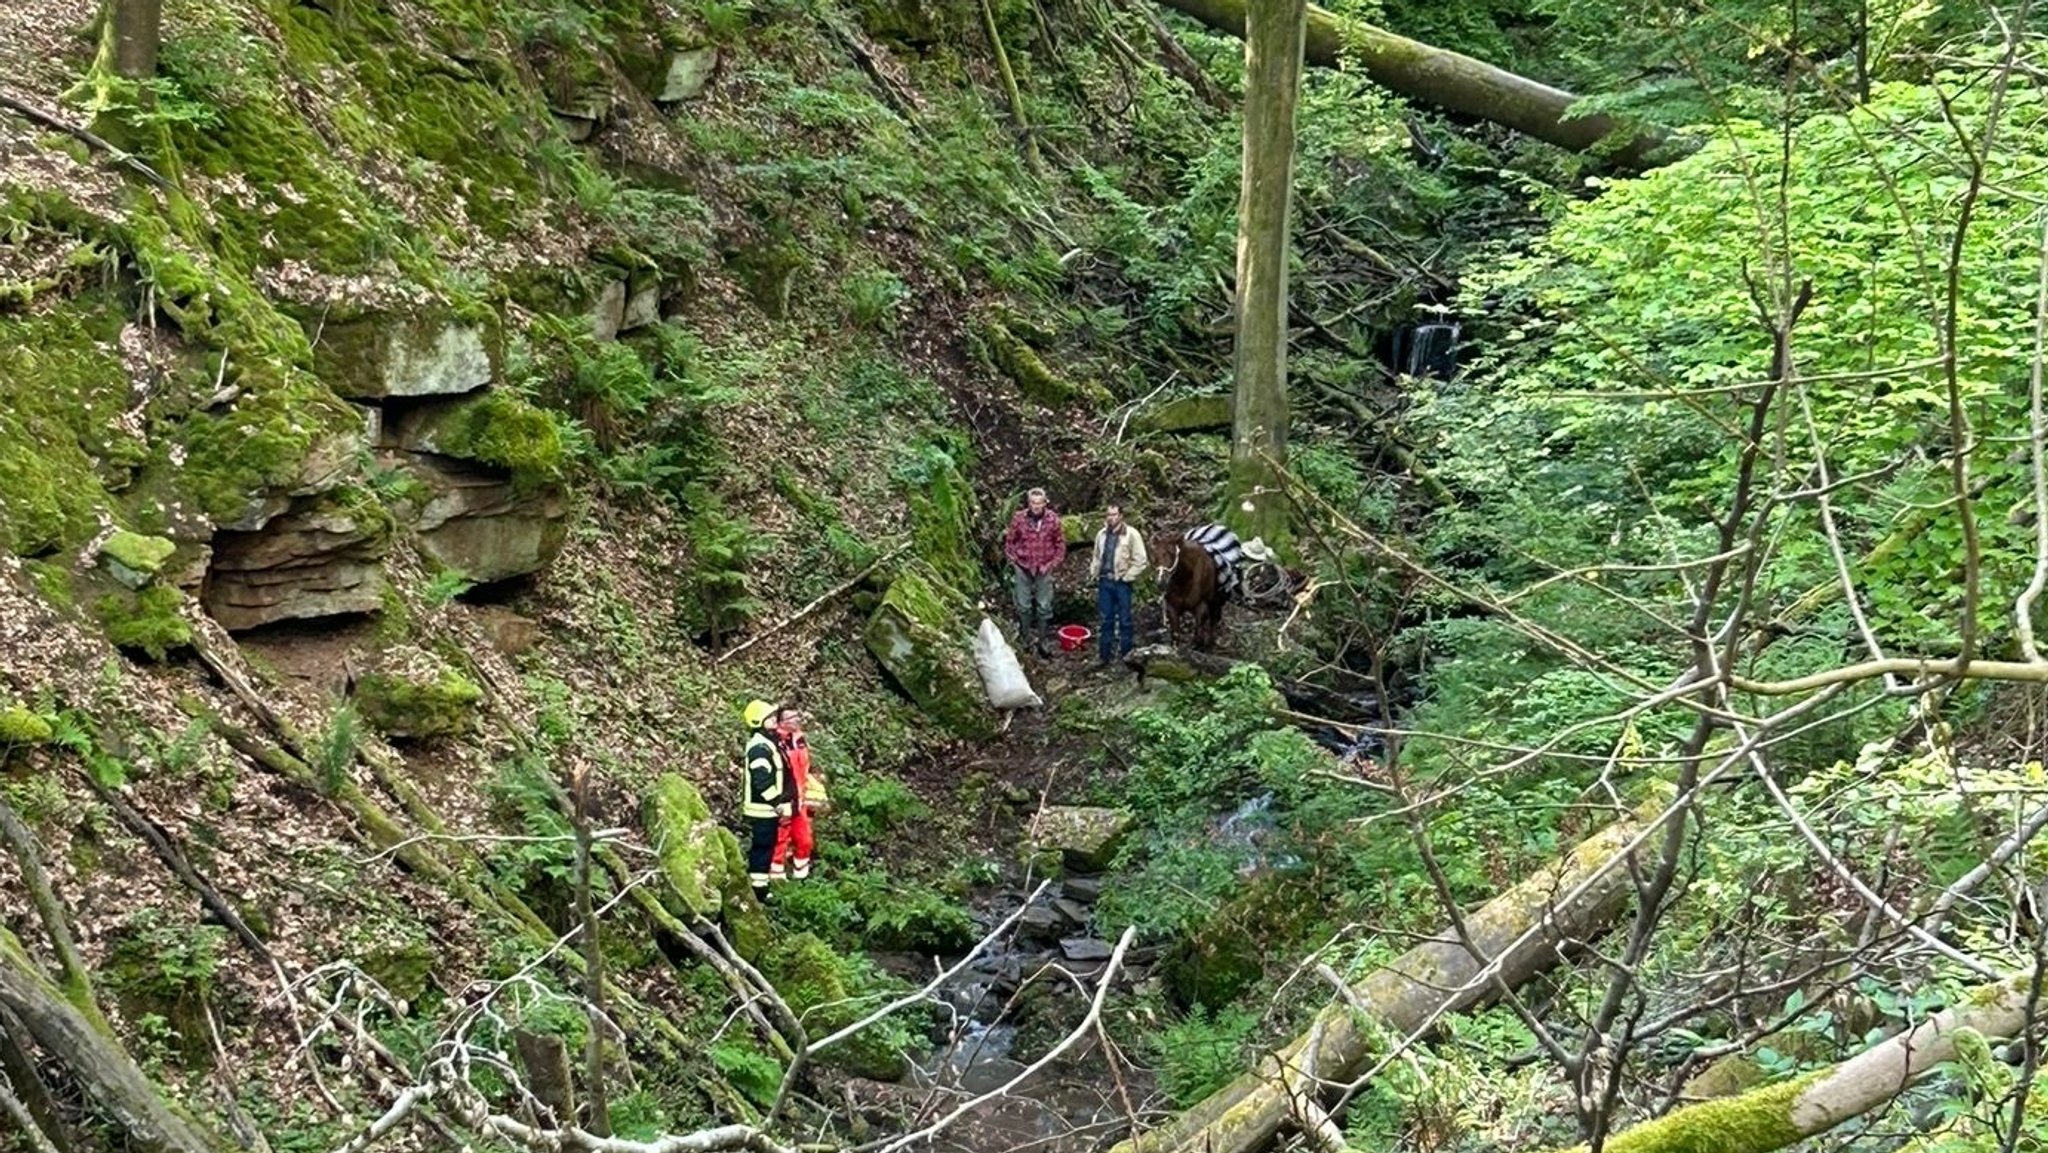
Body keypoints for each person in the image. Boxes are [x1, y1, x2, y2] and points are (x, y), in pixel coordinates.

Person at [740, 699, 795, 903]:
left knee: (766, 847)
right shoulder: (760, 747)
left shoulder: (767, 743)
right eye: (770, 717)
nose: (774, 720)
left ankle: (760, 885)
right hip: (762, 809)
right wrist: (776, 803)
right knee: (762, 848)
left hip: (766, 809)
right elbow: (761, 780)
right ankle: (759, 890)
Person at [1003, 487, 1067, 656]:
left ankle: (1043, 640)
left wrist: (1052, 563)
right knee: (1023, 605)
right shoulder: (1019, 518)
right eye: (1033, 503)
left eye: (1039, 503)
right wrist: (1015, 561)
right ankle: (1025, 639)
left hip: (1044, 567)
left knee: (1044, 605)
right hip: (1023, 566)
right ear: (1028, 503)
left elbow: (1060, 545)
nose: (1036, 506)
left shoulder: (1053, 520)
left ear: (1045, 502)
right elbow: (1010, 542)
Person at [1090, 504, 1148, 668]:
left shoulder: (1131, 534)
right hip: (1105, 582)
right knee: (1105, 619)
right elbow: (1096, 556)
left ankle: (1127, 655)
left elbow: (1141, 560)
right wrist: (1094, 571)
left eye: (1114, 515)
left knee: (1125, 620)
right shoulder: (1101, 534)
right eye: (1108, 515)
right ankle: (1104, 656)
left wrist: (1128, 576)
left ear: (1121, 516)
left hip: (1122, 583)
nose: (1111, 518)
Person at [769, 709, 815, 881]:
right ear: (780, 722)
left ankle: (801, 877)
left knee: (805, 840)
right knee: (780, 842)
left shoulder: (799, 740)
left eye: (797, 717)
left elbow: (804, 769)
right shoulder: (775, 743)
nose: (796, 720)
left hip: (799, 800)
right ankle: (777, 880)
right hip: (783, 800)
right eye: (791, 718)